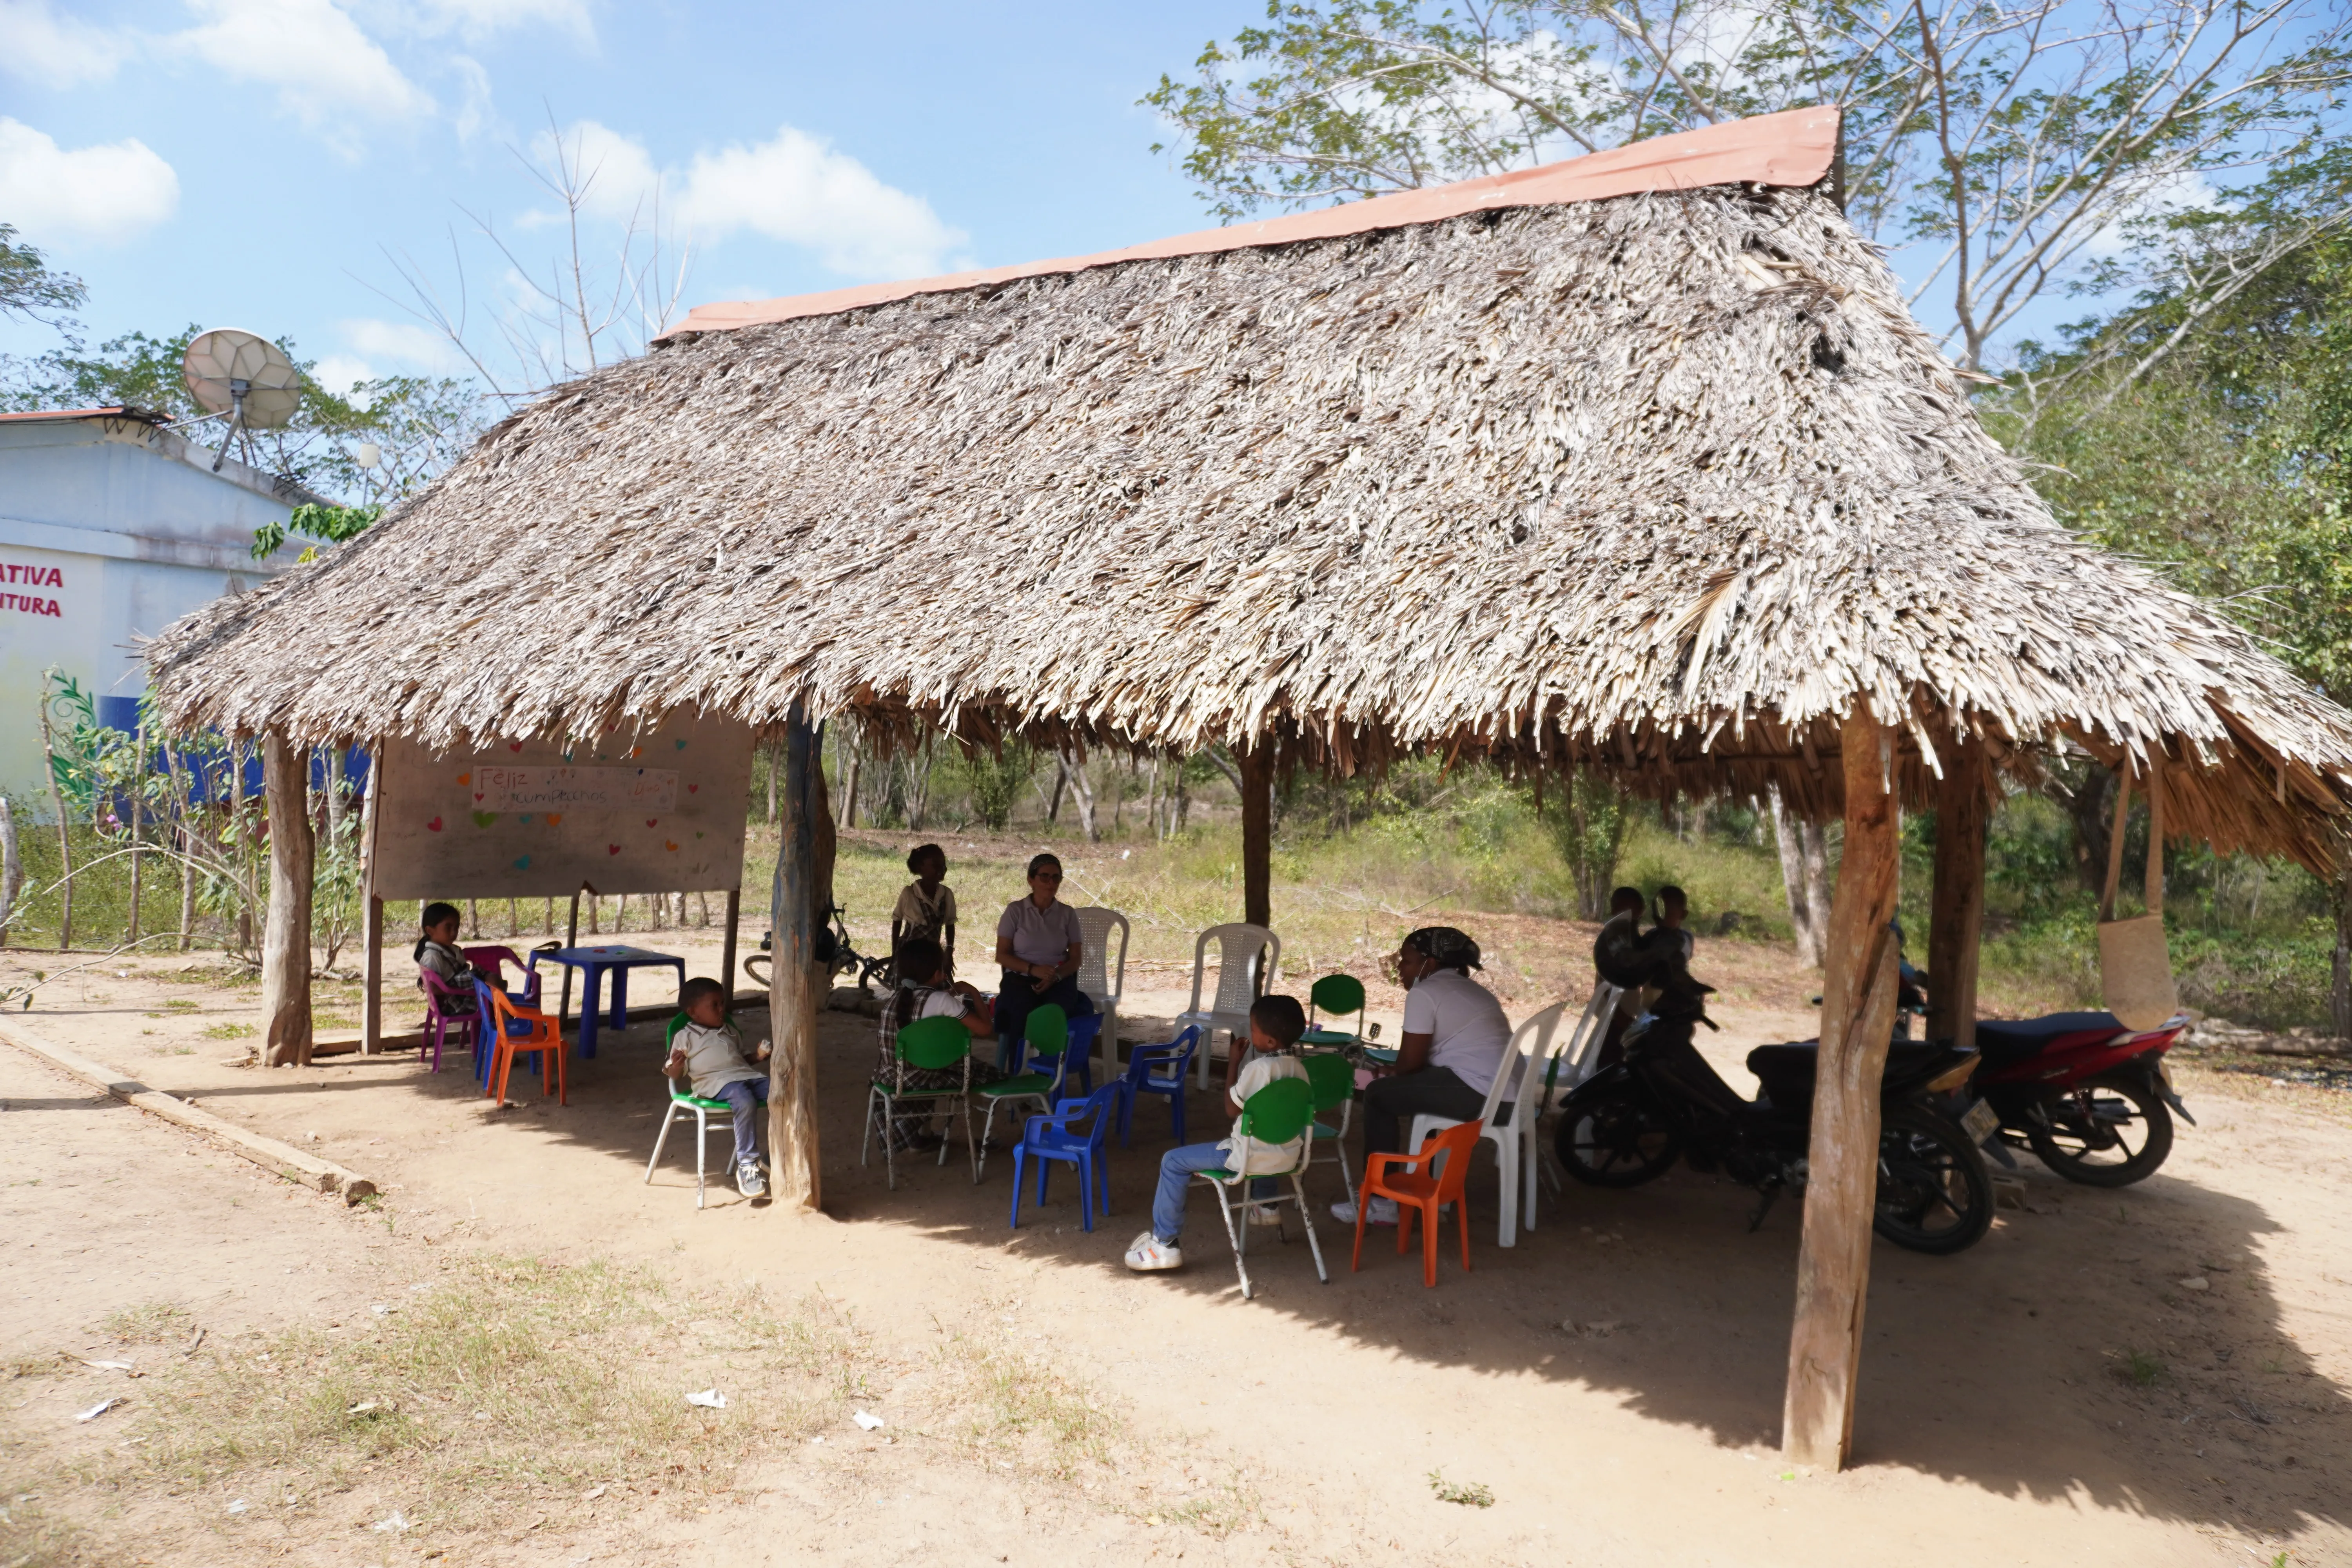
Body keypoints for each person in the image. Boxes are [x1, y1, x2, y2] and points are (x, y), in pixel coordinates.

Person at [1332, 927, 1512, 1227]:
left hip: (1478, 1095)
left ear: (1429, 964)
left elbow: (1411, 1063)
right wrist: (1399, 1072)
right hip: (1504, 1096)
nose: (1400, 967)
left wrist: (1389, 1074)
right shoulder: (1471, 989)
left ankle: (1383, 1201)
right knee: (1419, 1095)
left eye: (1407, 960)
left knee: (1378, 1096)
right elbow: (1419, 1065)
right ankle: (1424, 1191)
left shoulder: (1425, 992)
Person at [1124, 994, 1310, 1273]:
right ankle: (1266, 1204)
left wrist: (1234, 1062)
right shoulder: (1301, 1071)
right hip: (1287, 1160)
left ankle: (1164, 1244)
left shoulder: (1258, 1069)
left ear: (1270, 1042)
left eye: (1254, 1028)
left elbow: (1231, 1109)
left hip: (1246, 1159)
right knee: (1271, 1131)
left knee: (1173, 1161)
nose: (1250, 1032)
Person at [875, 937, 1003, 1149]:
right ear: (938, 974)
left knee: (931, 1063)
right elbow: (985, 1029)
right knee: (976, 1074)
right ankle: (982, 1140)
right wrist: (972, 992)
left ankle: (920, 1137)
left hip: (892, 1076)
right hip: (925, 1078)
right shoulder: (943, 1002)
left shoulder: (893, 999)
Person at [663, 977, 773, 1198]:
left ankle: (776, 1154)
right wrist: (677, 1066)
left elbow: (742, 1060)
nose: (722, 1009)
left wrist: (758, 1056)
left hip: (745, 1076)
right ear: (694, 1012)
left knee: (784, 1091)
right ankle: (747, 1164)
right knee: (744, 1099)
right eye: (715, 1005)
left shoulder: (730, 1031)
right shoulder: (685, 1036)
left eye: (722, 1003)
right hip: (713, 1084)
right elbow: (673, 1074)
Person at [993, 852, 1093, 1067]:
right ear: (1031, 880)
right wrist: (1032, 970)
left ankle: (1048, 1074)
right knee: (1019, 1013)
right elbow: (1001, 955)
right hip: (1021, 977)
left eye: (1056, 878)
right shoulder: (1015, 911)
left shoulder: (1067, 914)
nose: (1051, 883)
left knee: (1055, 1014)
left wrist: (1055, 976)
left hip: (1058, 978)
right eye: (1044, 877)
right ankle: (1016, 1077)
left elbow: (1075, 960)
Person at [891, 844, 959, 975]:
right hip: (910, 956)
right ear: (920, 868)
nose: (943, 869)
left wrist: (949, 951)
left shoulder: (946, 895)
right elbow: (897, 920)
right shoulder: (909, 894)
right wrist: (895, 952)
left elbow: (950, 924)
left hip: (934, 955)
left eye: (944, 864)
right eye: (936, 865)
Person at [413, 902, 482, 1016]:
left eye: (456, 927)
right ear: (430, 930)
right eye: (448, 928)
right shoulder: (432, 956)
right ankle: (504, 1028)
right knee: (494, 996)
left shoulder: (452, 950)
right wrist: (467, 987)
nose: (454, 933)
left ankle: (501, 1025)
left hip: (462, 997)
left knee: (493, 984)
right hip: (452, 1004)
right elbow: (434, 989)